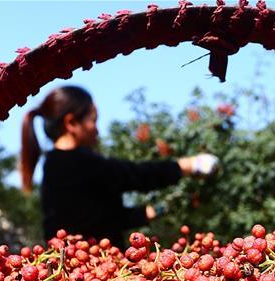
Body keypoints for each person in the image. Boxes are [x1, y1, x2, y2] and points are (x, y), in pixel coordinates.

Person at [19, 85, 217, 243]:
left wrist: (157, 210)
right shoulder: (81, 162)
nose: (96, 130)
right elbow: (136, 175)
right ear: (71, 123)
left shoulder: (54, 165)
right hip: (96, 273)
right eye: (93, 120)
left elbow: (99, 219)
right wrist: (187, 165)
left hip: (75, 273)